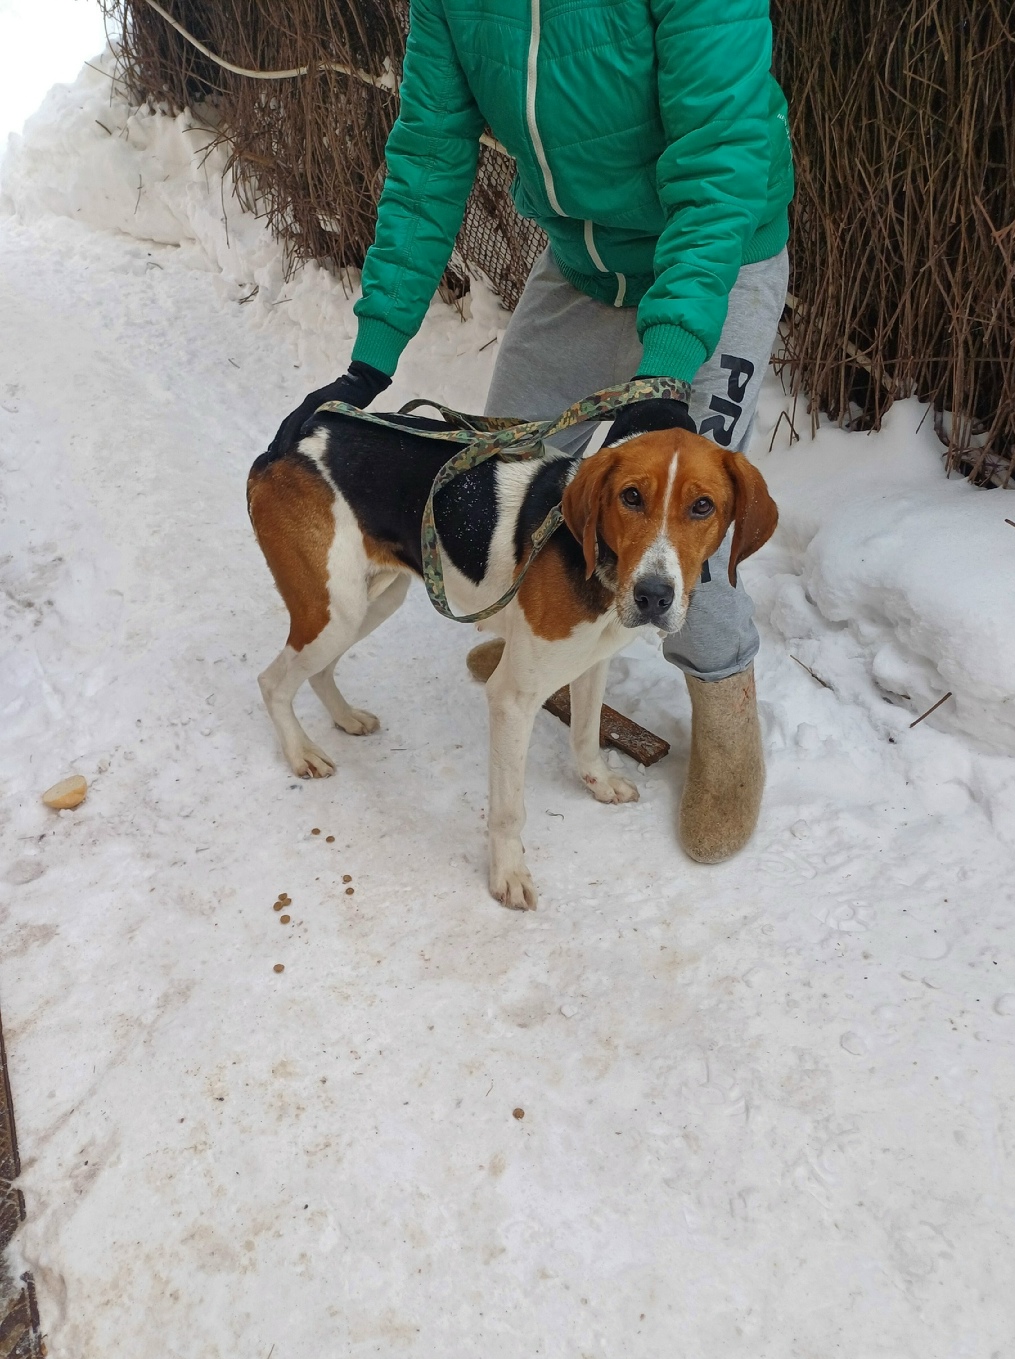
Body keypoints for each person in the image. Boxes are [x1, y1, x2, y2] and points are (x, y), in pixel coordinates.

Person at [269, 0, 794, 863]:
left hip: (715, 255)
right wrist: (370, 362)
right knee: (504, 475)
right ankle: (540, 644)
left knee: (685, 509)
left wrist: (663, 373)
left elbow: (719, 161)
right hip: (586, 264)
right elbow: (428, 161)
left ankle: (725, 708)